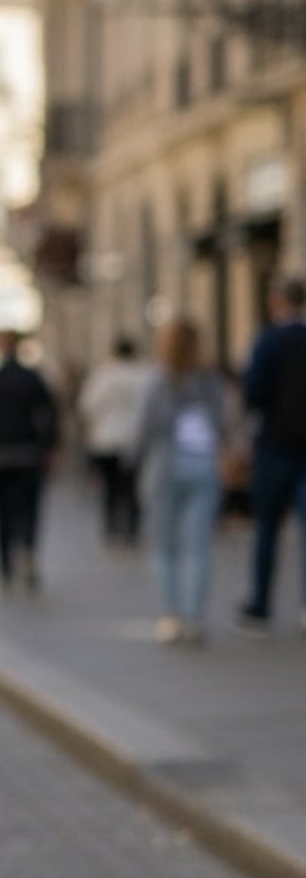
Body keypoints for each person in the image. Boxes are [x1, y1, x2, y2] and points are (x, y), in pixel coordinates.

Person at [136, 319, 232, 644]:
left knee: (164, 545)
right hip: (202, 465)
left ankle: (171, 614)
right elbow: (222, 422)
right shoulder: (208, 381)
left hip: (163, 465)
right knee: (198, 545)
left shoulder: (159, 379)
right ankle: (194, 616)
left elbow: (147, 426)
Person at [236, 275, 306, 633]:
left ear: (276, 302)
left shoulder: (268, 341)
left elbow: (252, 391)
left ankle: (261, 604)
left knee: (267, 528)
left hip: (274, 446)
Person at [0, 329, 60, 591]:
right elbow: (50, 412)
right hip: (28, 453)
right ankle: (27, 549)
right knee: (29, 508)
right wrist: (51, 446)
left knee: (2, 511)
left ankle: (4, 564)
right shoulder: (32, 378)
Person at [77, 335, 154, 547]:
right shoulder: (145, 375)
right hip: (134, 440)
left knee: (110, 489)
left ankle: (111, 529)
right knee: (132, 488)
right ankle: (131, 530)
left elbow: (87, 408)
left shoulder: (103, 375)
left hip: (106, 439)